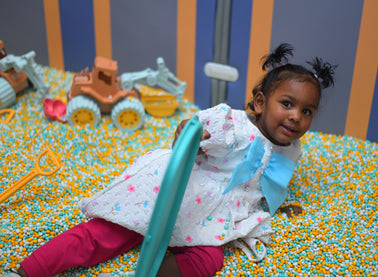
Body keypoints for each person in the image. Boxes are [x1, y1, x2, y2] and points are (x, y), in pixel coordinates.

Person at [4, 43, 336, 277]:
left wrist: (270, 204)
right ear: (261, 102)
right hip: (180, 191)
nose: (296, 118)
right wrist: (193, 135)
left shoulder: (291, 149)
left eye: (307, 111)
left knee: (210, 259)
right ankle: (29, 269)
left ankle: (148, 272)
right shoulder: (235, 126)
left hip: (211, 213)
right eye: (288, 104)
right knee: (104, 234)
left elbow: (265, 181)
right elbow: (200, 128)